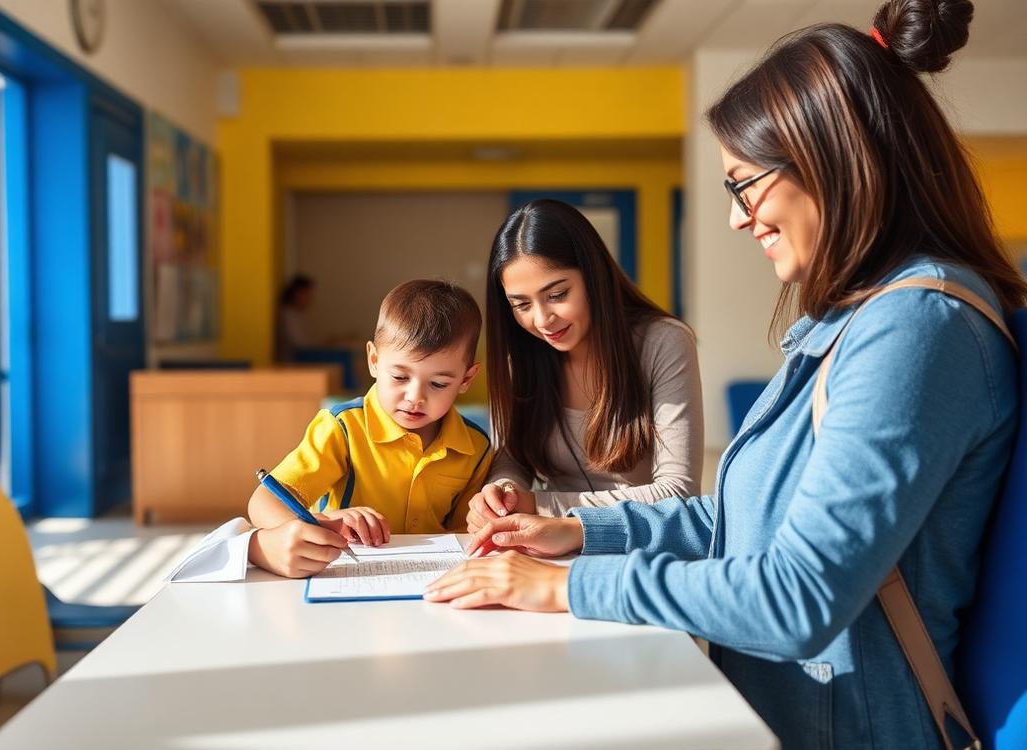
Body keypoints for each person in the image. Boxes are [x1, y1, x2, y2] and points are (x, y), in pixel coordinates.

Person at [426, 2, 1027, 748]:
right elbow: (742, 523)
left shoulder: (916, 331)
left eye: (746, 185)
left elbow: (798, 597)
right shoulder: (860, 323)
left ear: (831, 162)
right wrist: (576, 533)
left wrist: (564, 589)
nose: (740, 217)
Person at [465, 199, 703, 531]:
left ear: (593, 276)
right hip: (550, 544)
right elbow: (513, 456)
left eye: (557, 294)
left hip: (641, 547)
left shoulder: (663, 342)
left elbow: (679, 494)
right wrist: (503, 491)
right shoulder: (521, 356)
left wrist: (539, 504)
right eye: (521, 304)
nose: (542, 319)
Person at [247, 279, 493, 577]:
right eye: (400, 377)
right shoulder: (342, 428)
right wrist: (319, 522)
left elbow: (467, 534)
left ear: (467, 379)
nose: (415, 397)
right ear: (374, 360)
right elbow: (263, 502)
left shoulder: (477, 447)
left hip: (432, 586)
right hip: (349, 579)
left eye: (439, 383)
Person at [275, 274, 315, 363]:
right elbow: (301, 348)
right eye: (308, 295)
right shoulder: (287, 316)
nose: (311, 299)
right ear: (297, 294)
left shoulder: (294, 316)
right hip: (289, 367)